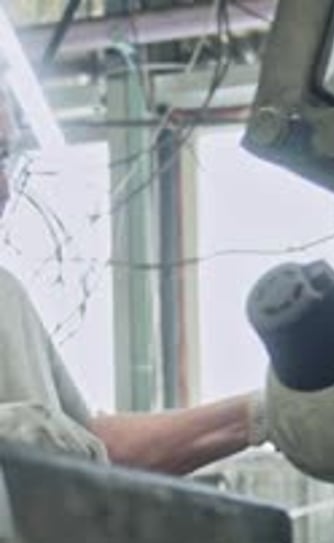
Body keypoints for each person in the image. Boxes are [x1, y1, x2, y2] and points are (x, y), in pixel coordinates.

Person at [0, 86, 267, 475]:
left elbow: (99, 450)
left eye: (3, 155)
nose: (5, 189)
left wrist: (262, 414)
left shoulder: (7, 298)